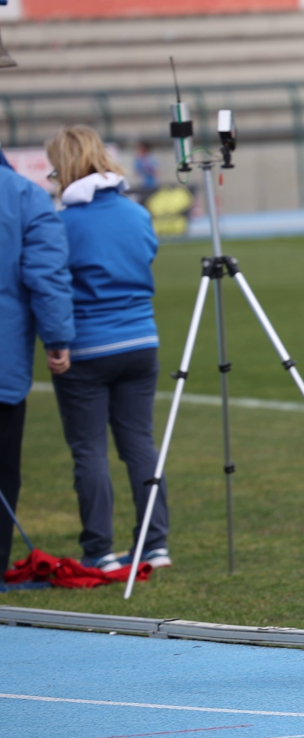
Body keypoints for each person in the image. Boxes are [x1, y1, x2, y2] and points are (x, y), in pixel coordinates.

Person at [45, 125, 171, 573]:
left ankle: (99, 548)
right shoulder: (135, 212)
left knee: (90, 450)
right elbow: (146, 255)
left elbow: (53, 284)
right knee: (140, 443)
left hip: (87, 346)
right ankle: (155, 543)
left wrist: (55, 341)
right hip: (141, 340)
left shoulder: (60, 222)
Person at [0, 145, 74, 572]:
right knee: (4, 468)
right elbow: (45, 274)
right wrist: (58, 336)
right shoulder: (23, 195)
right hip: (4, 356)